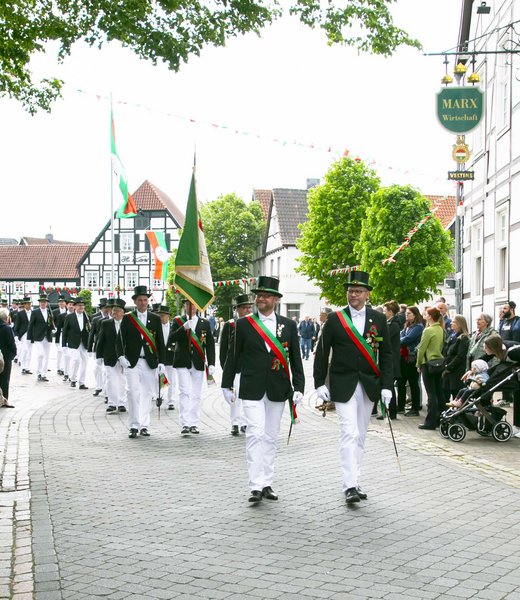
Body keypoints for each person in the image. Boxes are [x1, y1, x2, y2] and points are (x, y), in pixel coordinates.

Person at [222, 276, 304, 503]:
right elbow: (232, 356)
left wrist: (299, 386)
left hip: (278, 387)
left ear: (275, 300)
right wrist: (226, 384)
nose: (261, 299)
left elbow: (295, 358)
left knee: (270, 436)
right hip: (251, 386)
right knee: (255, 433)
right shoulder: (243, 324)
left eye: (266, 296)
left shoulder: (288, 325)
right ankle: (255, 485)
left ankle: (267, 482)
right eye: (259, 295)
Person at [313, 270, 393, 504]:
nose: (353, 295)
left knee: (361, 435)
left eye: (358, 291)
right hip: (343, 383)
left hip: (369, 384)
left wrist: (387, 385)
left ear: (367, 294)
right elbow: (322, 352)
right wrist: (319, 383)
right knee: (349, 432)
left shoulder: (378, 319)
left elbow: (386, 354)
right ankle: (348, 485)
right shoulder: (335, 319)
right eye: (350, 291)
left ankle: (355, 480)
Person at [116, 286, 166, 438]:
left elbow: (160, 341)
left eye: (145, 300)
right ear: (135, 302)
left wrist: (162, 362)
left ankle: (144, 425)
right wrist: (121, 356)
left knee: (147, 394)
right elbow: (119, 339)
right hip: (132, 362)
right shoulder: (128, 318)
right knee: (132, 392)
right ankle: (133, 425)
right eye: (140, 300)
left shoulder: (155, 318)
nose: (143, 303)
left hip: (149, 362)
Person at [169, 298, 215, 435]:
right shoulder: (178, 321)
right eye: (188, 304)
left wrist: (212, 363)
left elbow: (210, 345)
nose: (191, 306)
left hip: (198, 362)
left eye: (194, 304)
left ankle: (194, 423)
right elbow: (171, 339)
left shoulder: (204, 323)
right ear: (185, 305)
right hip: (182, 361)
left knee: (196, 394)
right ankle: (185, 423)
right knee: (184, 392)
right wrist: (183, 328)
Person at [219, 293, 253, 435]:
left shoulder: (254, 324)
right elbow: (223, 350)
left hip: (249, 366)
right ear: (237, 309)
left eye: (249, 307)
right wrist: (226, 369)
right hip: (235, 367)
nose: (247, 310)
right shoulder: (230, 325)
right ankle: (234, 422)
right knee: (234, 396)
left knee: (247, 396)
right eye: (244, 308)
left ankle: (245, 422)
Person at [416, 307, 446, 430]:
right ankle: (442, 419)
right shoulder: (441, 329)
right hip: (439, 362)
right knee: (439, 391)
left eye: (426, 314)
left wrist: (418, 364)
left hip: (428, 363)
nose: (424, 315)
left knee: (431, 393)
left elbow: (421, 349)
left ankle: (430, 422)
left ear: (430, 316)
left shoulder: (428, 330)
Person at [96, 298, 127, 413]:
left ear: (122, 312)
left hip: (124, 358)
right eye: (113, 310)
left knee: (122, 380)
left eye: (117, 310)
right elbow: (100, 340)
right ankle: (112, 403)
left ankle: (122, 403)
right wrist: (99, 356)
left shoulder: (128, 324)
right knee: (111, 380)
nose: (114, 313)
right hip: (109, 356)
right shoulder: (105, 323)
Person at [397, 306, 424, 416]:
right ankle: (400, 406)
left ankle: (415, 408)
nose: (406, 315)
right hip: (403, 358)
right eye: (406, 313)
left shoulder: (418, 327)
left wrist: (398, 340)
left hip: (412, 358)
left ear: (415, 315)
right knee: (401, 382)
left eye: (409, 313)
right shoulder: (407, 326)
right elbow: (402, 336)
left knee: (413, 383)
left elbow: (407, 339)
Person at [62, 298, 91, 390]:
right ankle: (73, 379)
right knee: (76, 360)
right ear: (75, 307)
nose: (81, 307)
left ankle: (82, 382)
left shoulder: (87, 317)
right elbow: (65, 331)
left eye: (82, 305)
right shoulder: (69, 317)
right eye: (79, 305)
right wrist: (63, 344)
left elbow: (90, 330)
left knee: (85, 362)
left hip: (84, 343)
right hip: (73, 343)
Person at [27, 293, 55, 382]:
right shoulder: (35, 312)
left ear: (47, 303)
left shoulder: (49, 311)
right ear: (39, 303)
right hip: (38, 336)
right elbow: (31, 325)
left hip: (48, 336)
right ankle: (38, 372)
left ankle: (44, 374)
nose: (43, 303)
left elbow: (51, 322)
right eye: (42, 302)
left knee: (46, 356)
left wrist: (53, 329)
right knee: (41, 354)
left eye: (45, 302)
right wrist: (29, 338)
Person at [442, 315, 470, 403]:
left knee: (456, 395)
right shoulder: (452, 336)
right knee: (444, 395)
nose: (451, 323)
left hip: (456, 371)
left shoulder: (463, 338)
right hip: (448, 370)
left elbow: (460, 356)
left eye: (454, 322)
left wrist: (449, 367)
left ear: (460, 324)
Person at [381, 300, 401, 420]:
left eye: (385, 311)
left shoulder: (393, 325)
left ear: (390, 312)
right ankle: (388, 411)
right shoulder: (389, 324)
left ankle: (391, 411)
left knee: (389, 386)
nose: (383, 313)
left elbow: (385, 338)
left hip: (392, 360)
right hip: (391, 358)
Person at [88, 298, 111, 397]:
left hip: (108, 348)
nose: (106, 310)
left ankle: (106, 391)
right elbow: (92, 334)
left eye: (108, 307)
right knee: (97, 368)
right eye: (104, 308)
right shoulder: (95, 319)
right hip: (98, 347)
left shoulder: (112, 318)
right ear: (101, 309)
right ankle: (98, 386)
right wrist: (90, 348)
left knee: (105, 370)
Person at [156, 305, 176, 410]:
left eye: (163, 315)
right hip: (159, 357)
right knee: (159, 378)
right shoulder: (155, 327)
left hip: (171, 356)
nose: (161, 318)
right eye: (159, 315)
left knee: (172, 379)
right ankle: (159, 396)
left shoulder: (173, 327)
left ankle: (171, 401)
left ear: (168, 316)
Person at [0, 308, 17, 407]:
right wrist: (13, 354)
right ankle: (4, 399)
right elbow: (11, 343)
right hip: (5, 356)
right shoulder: (7, 328)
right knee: (5, 379)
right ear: (6, 318)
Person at [13, 297, 33, 375]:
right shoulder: (20, 314)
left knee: (30, 351)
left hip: (31, 334)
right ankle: (23, 367)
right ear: (24, 305)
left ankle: (27, 367)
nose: (28, 305)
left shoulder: (33, 312)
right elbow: (17, 325)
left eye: (29, 304)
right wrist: (16, 335)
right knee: (25, 350)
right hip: (23, 334)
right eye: (27, 304)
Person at [52, 294, 68, 376]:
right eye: (60, 302)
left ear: (65, 303)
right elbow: (52, 322)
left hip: (67, 333)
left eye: (62, 302)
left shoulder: (68, 311)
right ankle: (59, 367)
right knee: (60, 351)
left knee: (65, 351)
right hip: (59, 333)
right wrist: (53, 328)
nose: (61, 303)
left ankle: (63, 368)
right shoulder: (54, 312)